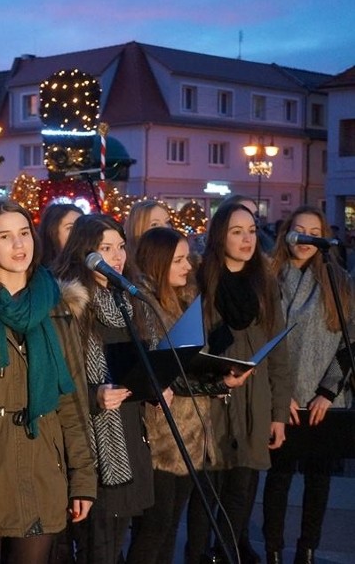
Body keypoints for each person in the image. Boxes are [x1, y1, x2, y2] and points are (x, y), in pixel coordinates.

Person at [0, 199, 95, 564]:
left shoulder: (58, 305)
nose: (19, 245)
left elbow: (73, 398)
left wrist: (82, 477)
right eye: (5, 236)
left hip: (41, 467)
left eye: (24, 234)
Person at [123, 227, 250, 564]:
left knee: (170, 526)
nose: (187, 266)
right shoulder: (143, 305)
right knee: (155, 526)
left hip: (191, 432)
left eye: (187, 258)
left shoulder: (184, 301)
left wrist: (221, 376)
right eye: (178, 260)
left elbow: (190, 364)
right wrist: (217, 384)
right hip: (160, 434)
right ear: (157, 263)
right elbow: (163, 373)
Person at [186, 201, 294, 564]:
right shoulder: (201, 282)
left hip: (255, 402)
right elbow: (191, 345)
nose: (247, 239)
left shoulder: (265, 284)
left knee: (242, 490)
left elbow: (279, 352)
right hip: (213, 402)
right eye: (237, 231)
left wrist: (278, 413)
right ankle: (197, 555)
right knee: (207, 493)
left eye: (251, 230)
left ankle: (228, 554)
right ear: (220, 236)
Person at [51, 214, 154, 564]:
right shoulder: (69, 302)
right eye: (105, 248)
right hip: (91, 440)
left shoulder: (128, 301)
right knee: (96, 545)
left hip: (129, 432)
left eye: (121, 247)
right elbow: (59, 375)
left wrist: (157, 383)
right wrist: (94, 394)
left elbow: (137, 361)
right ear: (85, 252)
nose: (117, 256)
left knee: (116, 543)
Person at [262, 207, 353, 564]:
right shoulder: (270, 278)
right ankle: (272, 548)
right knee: (279, 477)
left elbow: (351, 342)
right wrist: (278, 394)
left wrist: (328, 392)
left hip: (323, 399)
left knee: (319, 479)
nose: (305, 238)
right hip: (282, 397)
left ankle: (308, 548)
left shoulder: (339, 281)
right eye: (298, 230)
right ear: (287, 234)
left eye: (313, 231)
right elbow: (260, 339)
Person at [123, 200, 172, 268]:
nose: (166, 227)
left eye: (167, 222)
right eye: (154, 224)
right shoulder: (127, 266)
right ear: (138, 229)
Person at [37, 201, 84, 267]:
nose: (79, 232)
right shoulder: (42, 274)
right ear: (52, 233)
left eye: (83, 226)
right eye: (70, 228)